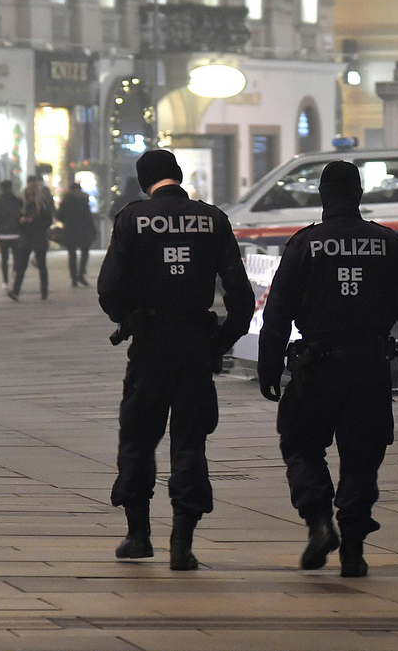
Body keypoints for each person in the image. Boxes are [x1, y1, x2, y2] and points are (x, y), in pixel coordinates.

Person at [257, 161, 398, 578]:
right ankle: (353, 547)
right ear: (359, 195)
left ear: (322, 196)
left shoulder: (304, 245)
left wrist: (268, 366)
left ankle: (318, 521)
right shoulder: (388, 243)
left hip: (316, 367)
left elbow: (277, 313)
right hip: (369, 368)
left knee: (300, 445)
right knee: (362, 456)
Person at [98, 149, 254, 570]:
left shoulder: (131, 219)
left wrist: (129, 318)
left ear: (143, 180)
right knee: (190, 442)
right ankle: (183, 544)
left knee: (137, 438)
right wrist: (218, 342)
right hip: (193, 347)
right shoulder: (212, 219)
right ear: (179, 176)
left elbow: (108, 288)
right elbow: (242, 299)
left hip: (149, 346)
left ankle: (138, 536)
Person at [9, 180, 54, 301]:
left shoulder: (43, 205)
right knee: (21, 265)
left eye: (32, 194)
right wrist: (21, 221)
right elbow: (15, 220)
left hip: (39, 237)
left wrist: (33, 221)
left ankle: (44, 291)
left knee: (41, 265)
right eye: (28, 194)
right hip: (25, 237)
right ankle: (15, 291)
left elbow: (48, 221)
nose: (30, 197)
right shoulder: (21, 204)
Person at [58, 182, 98, 287]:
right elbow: (88, 216)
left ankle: (74, 278)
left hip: (70, 229)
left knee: (72, 254)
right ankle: (81, 273)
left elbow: (59, 215)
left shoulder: (65, 200)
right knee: (85, 251)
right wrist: (92, 228)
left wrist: (66, 221)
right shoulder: (83, 200)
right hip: (83, 229)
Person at [0, 180, 22, 288]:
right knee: (16, 256)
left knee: (4, 258)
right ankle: (14, 273)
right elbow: (20, 215)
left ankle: (5, 280)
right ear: (11, 187)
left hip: (2, 234)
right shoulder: (17, 201)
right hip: (15, 233)